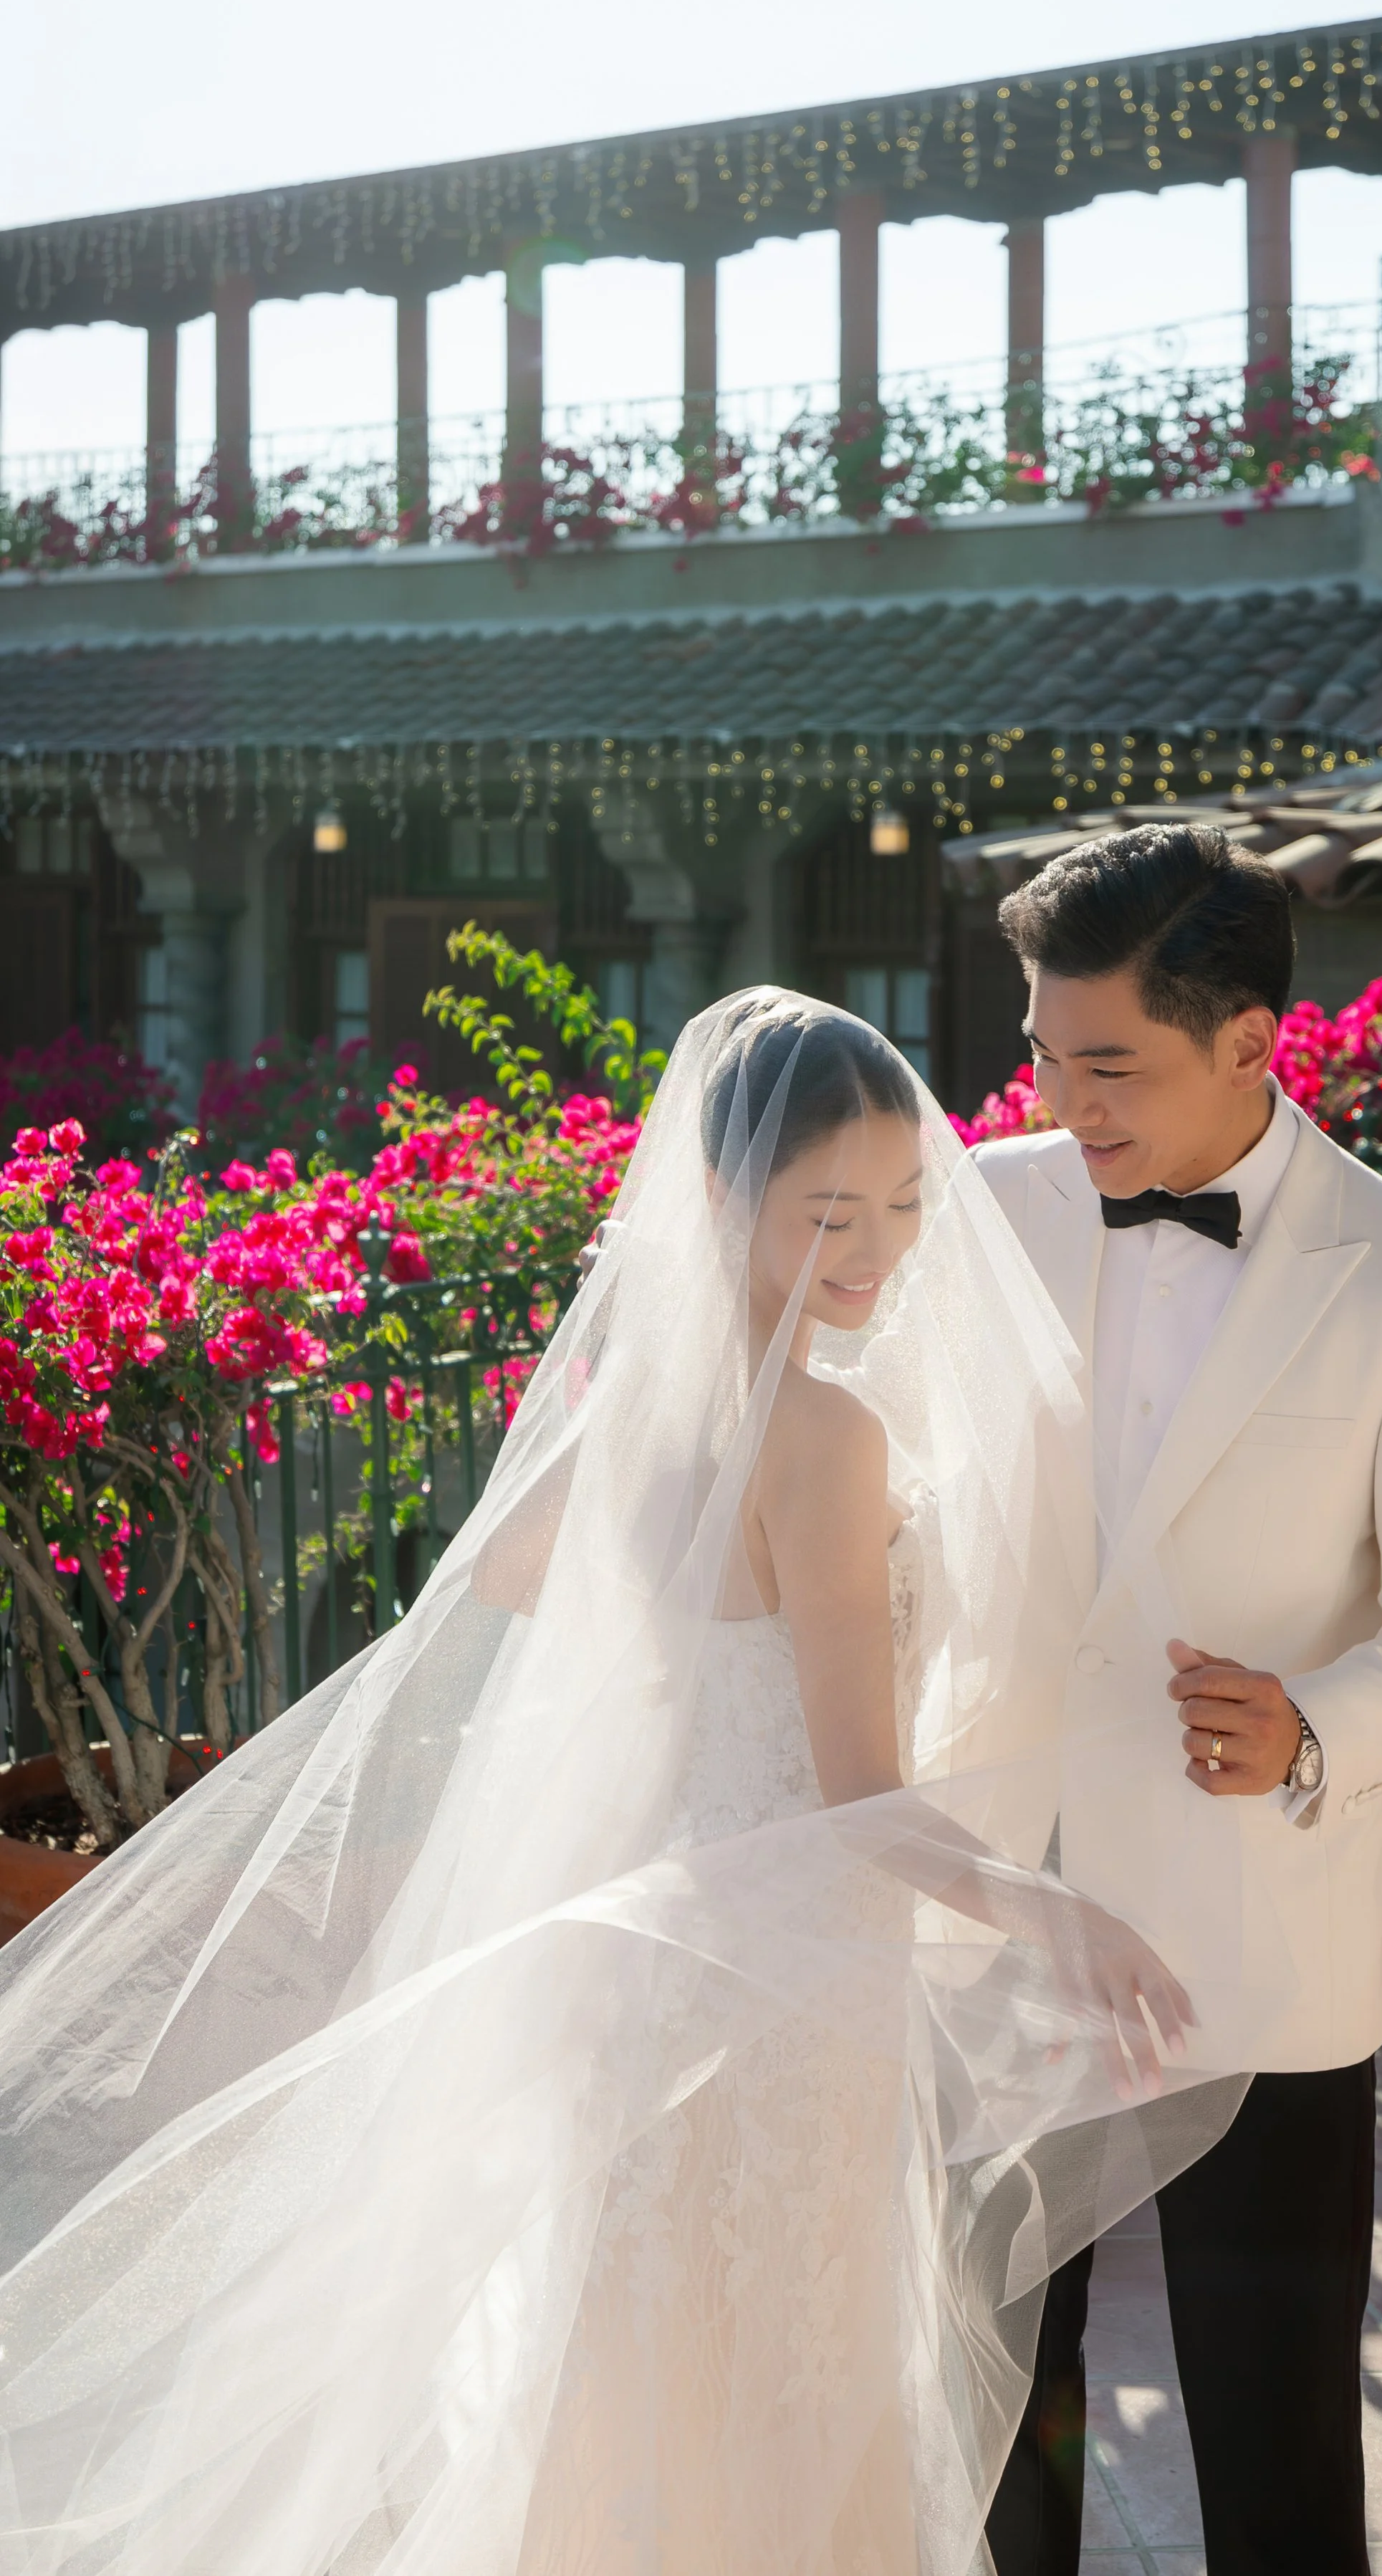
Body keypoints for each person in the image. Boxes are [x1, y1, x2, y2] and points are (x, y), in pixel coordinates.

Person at [0, 990, 1243, 2576]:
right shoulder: (824, 1435)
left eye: (906, 1209)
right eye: (831, 1213)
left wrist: (679, 1712)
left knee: (624, 2360)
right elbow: (859, 1796)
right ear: (728, 1200)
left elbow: (518, 1585)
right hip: (781, 1975)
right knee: (776, 2377)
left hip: (634, 1946)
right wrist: (1051, 1912)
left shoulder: (634, 1416)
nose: (876, 1253)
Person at [974, 825, 1382, 2576]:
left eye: (1110, 1064)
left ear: (1248, 1043)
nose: (1067, 1105)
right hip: (998, 1922)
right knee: (993, 2416)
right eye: (1045, 1055)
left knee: (1273, 2428)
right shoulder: (976, 1220)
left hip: (1258, 1936)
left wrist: (1312, 1728)